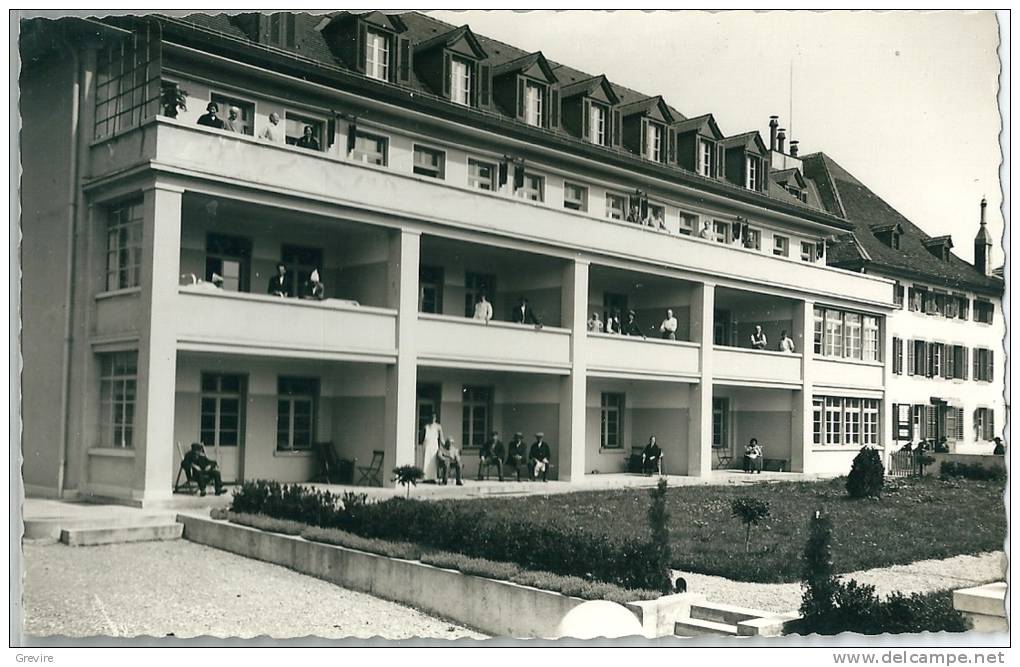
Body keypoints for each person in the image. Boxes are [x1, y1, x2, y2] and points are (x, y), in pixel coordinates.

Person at [420, 413, 444, 482]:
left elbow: (441, 438)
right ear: (429, 418)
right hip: (427, 445)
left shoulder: (438, 427)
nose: (432, 419)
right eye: (431, 417)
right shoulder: (426, 426)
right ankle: (426, 478)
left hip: (434, 446)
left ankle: (433, 478)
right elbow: (422, 437)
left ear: (435, 418)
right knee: (426, 461)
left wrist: (445, 446)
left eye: (434, 417)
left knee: (433, 462)